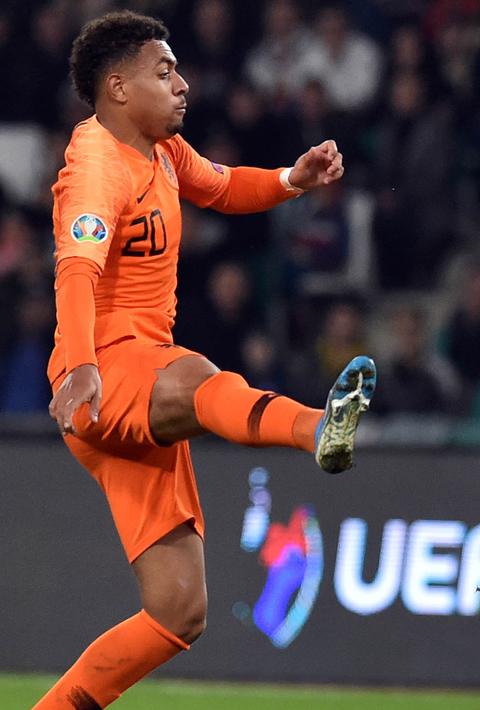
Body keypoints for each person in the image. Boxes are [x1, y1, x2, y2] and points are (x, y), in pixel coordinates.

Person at [37, 12, 376, 709]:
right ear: (118, 86)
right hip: (104, 367)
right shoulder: (97, 165)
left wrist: (292, 178)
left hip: (132, 380)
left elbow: (222, 186)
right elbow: (75, 270)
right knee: (196, 378)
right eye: (165, 73)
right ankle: (318, 428)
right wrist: (79, 367)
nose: (183, 85)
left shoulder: (160, 149)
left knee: (178, 611)